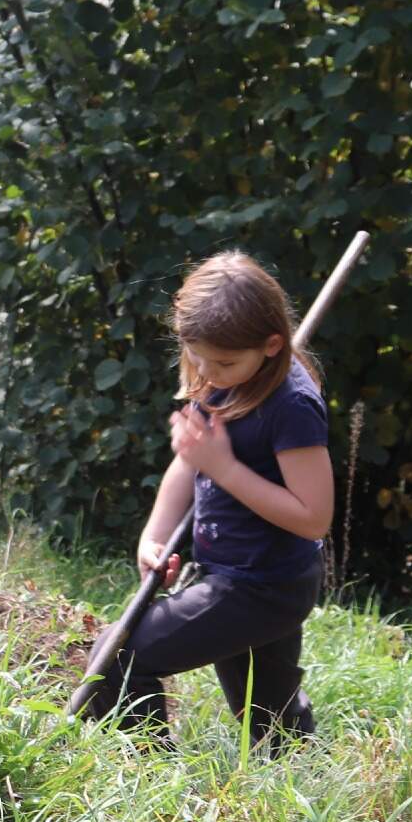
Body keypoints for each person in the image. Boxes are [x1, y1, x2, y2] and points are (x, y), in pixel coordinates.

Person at [81, 250, 333, 746]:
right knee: (271, 722)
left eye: (224, 362)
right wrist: (153, 537)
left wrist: (225, 468)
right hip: (235, 571)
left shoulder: (293, 407)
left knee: (118, 657)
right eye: (196, 356)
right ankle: (296, 769)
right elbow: (188, 460)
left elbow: (312, 518)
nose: (208, 371)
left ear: (272, 344)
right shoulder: (221, 380)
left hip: (265, 585)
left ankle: (149, 776)